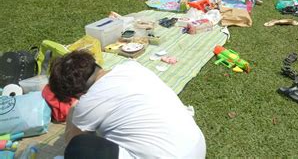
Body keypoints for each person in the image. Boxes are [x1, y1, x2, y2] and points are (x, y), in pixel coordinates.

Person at [49, 51, 206, 158]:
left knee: (80, 147)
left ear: (77, 94)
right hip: (196, 148)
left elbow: (72, 143)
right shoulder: (132, 67)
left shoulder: (88, 102)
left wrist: (73, 110)